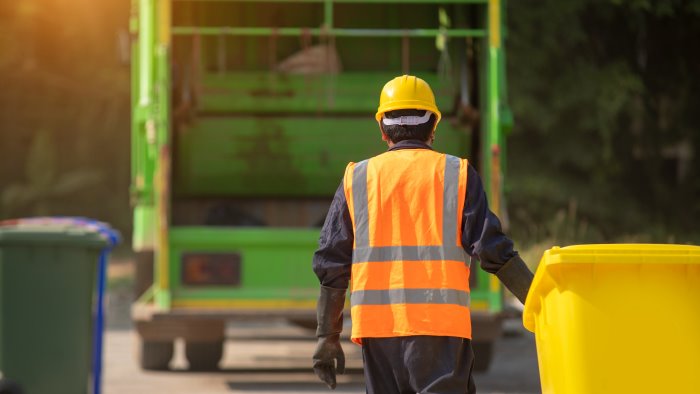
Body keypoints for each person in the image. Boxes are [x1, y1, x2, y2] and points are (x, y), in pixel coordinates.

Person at [311, 75, 534, 393]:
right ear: (433, 127)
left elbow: (331, 262)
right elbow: (492, 248)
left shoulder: (357, 178)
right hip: (440, 332)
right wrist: (538, 301)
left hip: (379, 335)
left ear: (382, 128)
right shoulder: (456, 174)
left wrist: (326, 338)